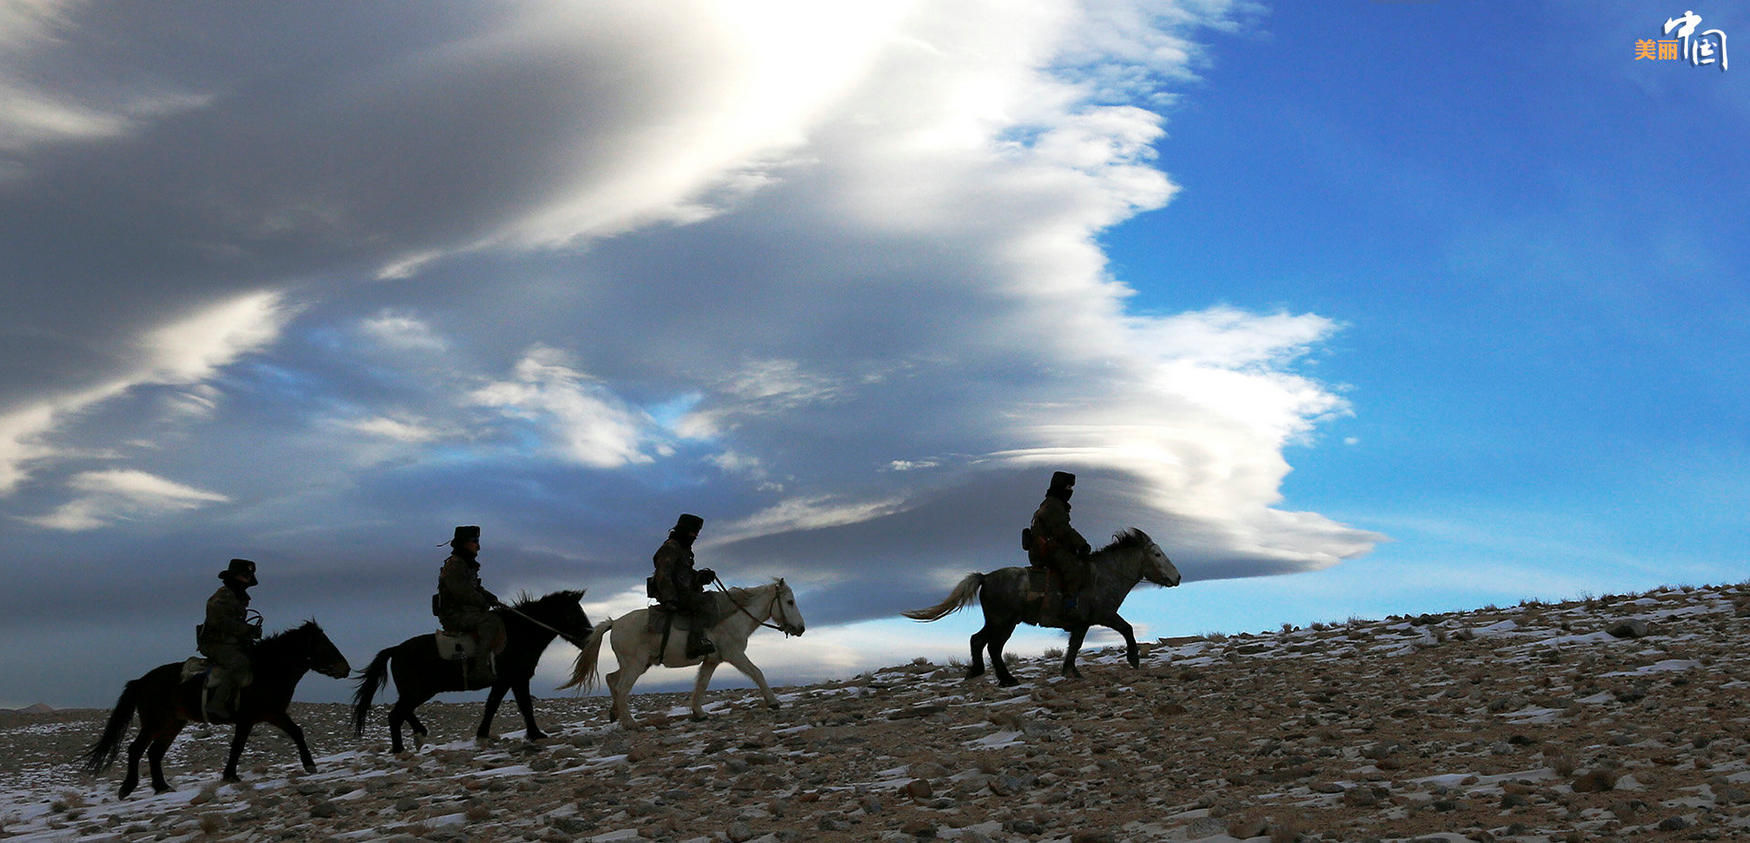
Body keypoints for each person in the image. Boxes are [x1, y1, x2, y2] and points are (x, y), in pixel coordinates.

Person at [434, 525, 505, 686]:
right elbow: (462, 592)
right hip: (455, 615)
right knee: (490, 622)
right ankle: (479, 669)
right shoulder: (454, 565)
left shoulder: (466, 564)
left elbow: (474, 588)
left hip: (465, 613)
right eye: (474, 541)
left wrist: (491, 597)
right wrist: (483, 602)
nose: (478, 546)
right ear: (463, 543)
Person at [198, 558, 262, 720]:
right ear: (234, 576)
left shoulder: (238, 596)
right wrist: (247, 630)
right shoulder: (222, 596)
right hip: (214, 643)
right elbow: (220, 622)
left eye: (249, 575)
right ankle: (216, 704)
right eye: (243, 575)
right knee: (239, 662)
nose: (247, 578)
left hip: (232, 642)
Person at [650, 513, 717, 659]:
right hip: (676, 595)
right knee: (704, 605)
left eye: (697, 533)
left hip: (683, 592)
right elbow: (663, 573)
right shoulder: (671, 547)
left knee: (713, 599)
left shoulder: (684, 549)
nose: (695, 536)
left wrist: (701, 576)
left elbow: (684, 575)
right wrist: (669, 598)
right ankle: (694, 644)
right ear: (684, 530)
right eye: (693, 532)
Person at [1026, 471, 1092, 610]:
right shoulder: (1053, 505)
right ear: (1060, 487)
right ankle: (1069, 604)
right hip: (1045, 551)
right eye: (1068, 488)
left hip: (1047, 548)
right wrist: (1082, 544)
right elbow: (1062, 530)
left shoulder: (1053, 504)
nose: (1070, 491)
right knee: (1075, 567)